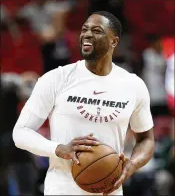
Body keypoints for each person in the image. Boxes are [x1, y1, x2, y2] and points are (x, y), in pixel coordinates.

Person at [12, 11, 155, 195]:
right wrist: (58, 149)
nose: (87, 34)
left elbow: (146, 139)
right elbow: (20, 133)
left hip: (109, 190)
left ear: (114, 41)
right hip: (62, 189)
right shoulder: (56, 78)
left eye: (96, 30)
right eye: (84, 29)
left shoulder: (133, 85)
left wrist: (133, 164)